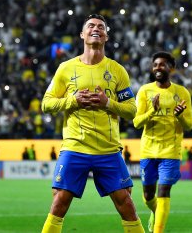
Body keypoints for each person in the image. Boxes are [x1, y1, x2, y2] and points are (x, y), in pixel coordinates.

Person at [41, 14, 144, 233]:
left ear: (106, 36)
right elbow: (46, 104)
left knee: (126, 203)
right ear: (82, 34)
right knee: (60, 201)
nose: (95, 29)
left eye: (100, 27)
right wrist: (73, 100)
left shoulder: (117, 70)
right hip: (75, 147)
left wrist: (108, 103)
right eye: (90, 26)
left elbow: (132, 111)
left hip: (107, 149)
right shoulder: (66, 69)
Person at [133, 51, 192, 233]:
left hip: (170, 150)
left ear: (171, 68)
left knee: (164, 191)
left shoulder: (182, 92)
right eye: (155, 65)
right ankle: (155, 211)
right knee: (147, 196)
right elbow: (136, 122)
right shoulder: (145, 91)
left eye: (162, 64)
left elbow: (189, 125)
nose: (157, 68)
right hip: (148, 150)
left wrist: (179, 116)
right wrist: (152, 110)